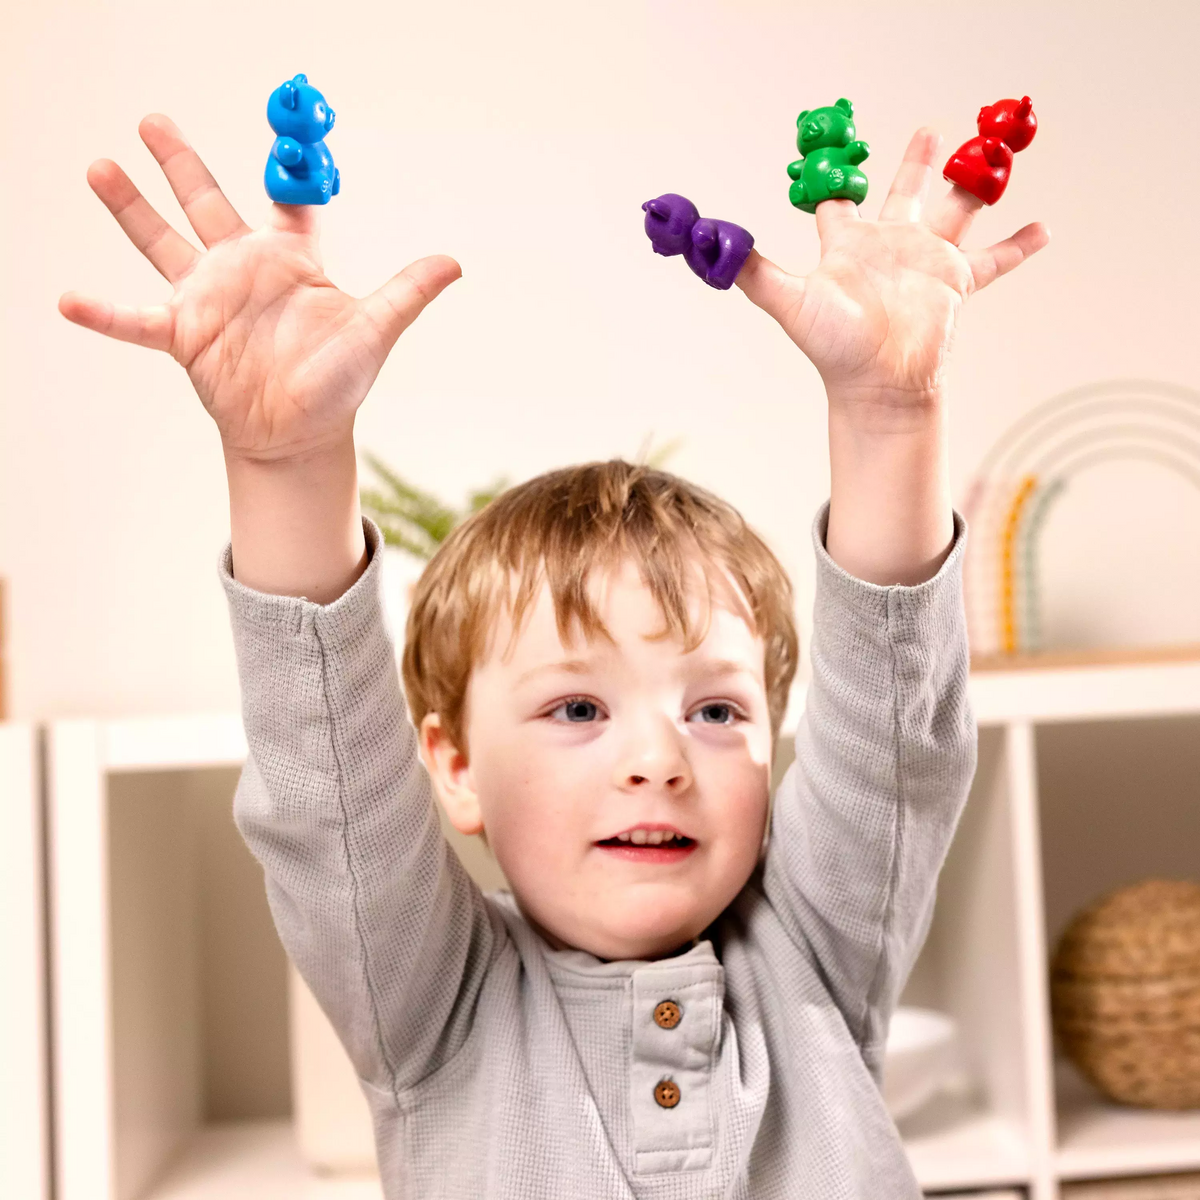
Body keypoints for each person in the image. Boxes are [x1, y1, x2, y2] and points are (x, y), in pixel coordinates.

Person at [60, 112, 1047, 1198]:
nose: (658, 761)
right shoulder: (431, 1005)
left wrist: (890, 417)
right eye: (578, 708)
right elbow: (325, 787)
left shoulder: (815, 958)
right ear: (455, 766)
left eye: (716, 712)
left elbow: (896, 738)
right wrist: (284, 462)